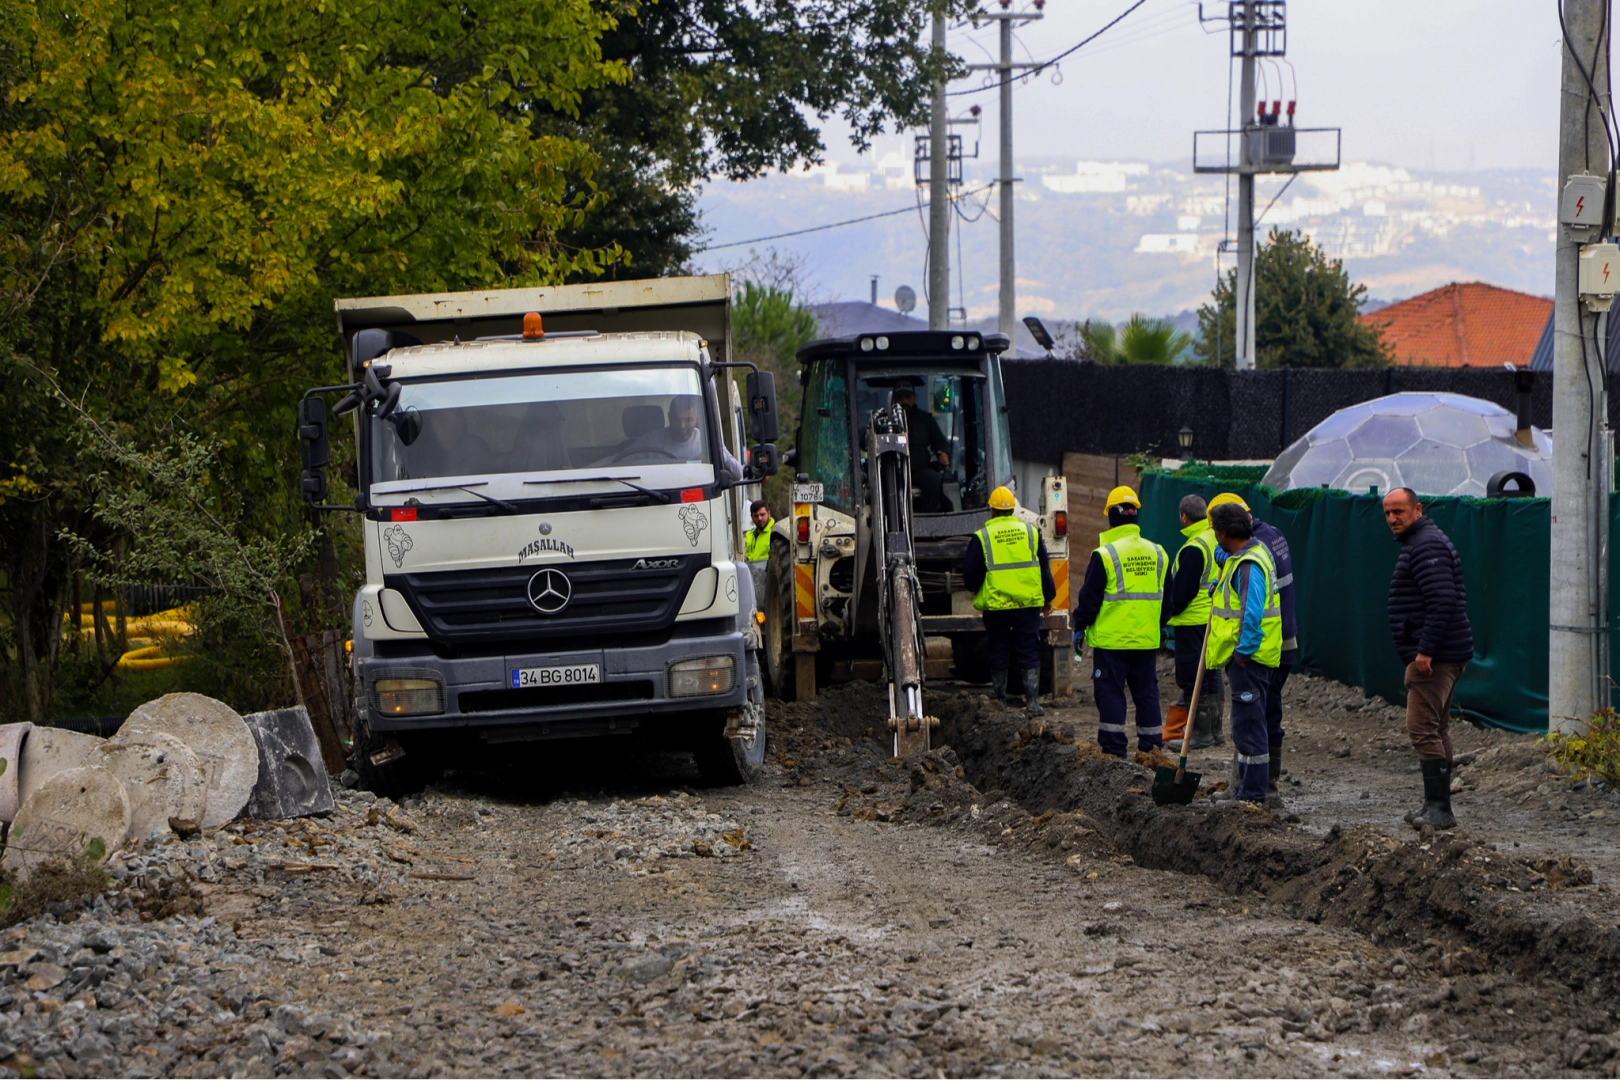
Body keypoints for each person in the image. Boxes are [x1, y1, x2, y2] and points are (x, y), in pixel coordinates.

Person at [1383, 486, 1473, 830]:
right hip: (1443, 652)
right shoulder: (1421, 542)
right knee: (1437, 727)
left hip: (1436, 657)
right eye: (1387, 513)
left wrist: (1425, 650)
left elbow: (1443, 601)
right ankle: (1434, 806)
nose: (1392, 519)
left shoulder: (1426, 545)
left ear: (1417, 510)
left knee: (1422, 727)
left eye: (1399, 512)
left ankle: (1439, 810)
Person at [1205, 492, 1298, 805]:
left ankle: (1254, 796)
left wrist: (1242, 654)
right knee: (1246, 725)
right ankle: (1246, 790)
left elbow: (1251, 614)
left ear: (1222, 533)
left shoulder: (1248, 565)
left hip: (1250, 660)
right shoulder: (1254, 550)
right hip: (1254, 659)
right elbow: (1226, 559)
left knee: (1250, 727)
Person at [1072, 486, 1167, 757]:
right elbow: (1166, 597)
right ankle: (1152, 752)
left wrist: (1080, 626)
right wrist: (1160, 625)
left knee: (1111, 695)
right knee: (1147, 695)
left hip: (1112, 644)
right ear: (1135, 515)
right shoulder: (1158, 553)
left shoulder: (1105, 555)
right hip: (1146, 642)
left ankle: (1114, 754)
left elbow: (1089, 599)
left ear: (1111, 516)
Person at [961, 485, 1056, 715]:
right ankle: (1032, 702)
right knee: (1029, 649)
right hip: (1027, 604)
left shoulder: (982, 536)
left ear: (992, 511)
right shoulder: (1031, 533)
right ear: (1013, 509)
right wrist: (1048, 597)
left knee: (999, 650)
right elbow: (1044, 568)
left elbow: (970, 574)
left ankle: (1001, 701)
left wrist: (975, 589)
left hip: (997, 605)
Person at [1163, 494, 1223, 751]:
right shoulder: (1214, 538)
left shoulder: (1193, 547)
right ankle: (1214, 731)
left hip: (1192, 621)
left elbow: (1183, 592)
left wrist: (1168, 613)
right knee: (1210, 674)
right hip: (1212, 619)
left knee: (1192, 677)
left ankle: (1199, 733)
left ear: (1184, 517)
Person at [605, 394, 743, 481]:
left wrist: (713, 453)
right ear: (670, 417)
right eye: (677, 419)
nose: (682, 425)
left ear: (697, 419)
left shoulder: (706, 442)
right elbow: (618, 461)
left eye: (688, 420)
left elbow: (737, 474)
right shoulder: (651, 440)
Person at [891, 381, 952, 513]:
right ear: (894, 399)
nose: (904, 401)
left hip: (919, 471)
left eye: (908, 397)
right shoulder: (885, 420)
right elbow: (864, 442)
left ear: (914, 397)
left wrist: (945, 454)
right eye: (900, 397)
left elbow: (940, 442)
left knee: (934, 479)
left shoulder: (926, 420)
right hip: (891, 473)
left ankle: (928, 521)